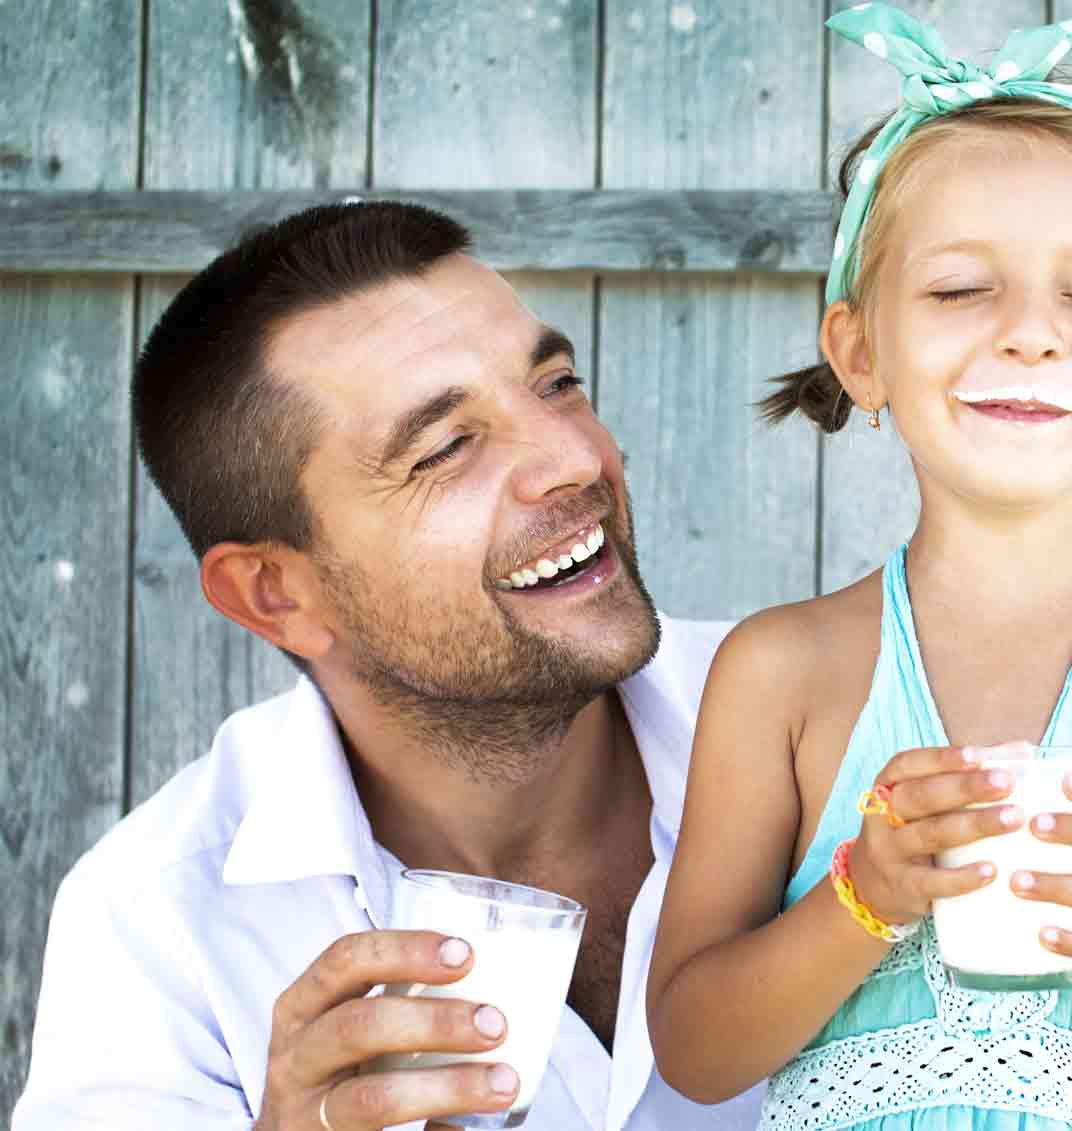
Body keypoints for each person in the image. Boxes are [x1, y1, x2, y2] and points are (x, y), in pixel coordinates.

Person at [646, 7, 1072, 1130]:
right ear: (860, 351)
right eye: (962, 288)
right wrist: (861, 897)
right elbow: (696, 1049)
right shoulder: (779, 672)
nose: (1029, 333)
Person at [14, 202, 764, 1131]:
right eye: (446, 448)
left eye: (558, 383)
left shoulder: (856, 725)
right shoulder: (157, 927)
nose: (575, 458)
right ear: (276, 594)